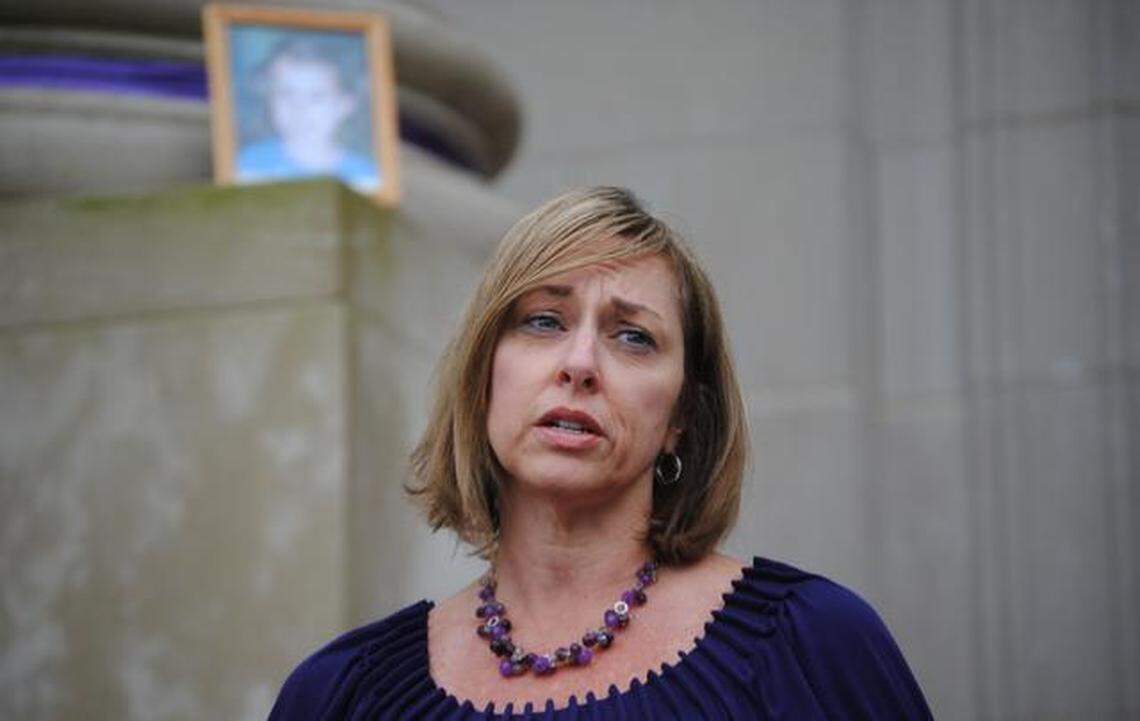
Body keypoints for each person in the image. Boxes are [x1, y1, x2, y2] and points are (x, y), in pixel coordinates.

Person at [267, 187, 934, 719]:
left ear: (680, 416)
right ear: (483, 377)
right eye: (543, 320)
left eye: (634, 337)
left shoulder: (810, 646)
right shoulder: (340, 695)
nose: (580, 363)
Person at [236, 35, 379, 191]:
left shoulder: (365, 177)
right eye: (286, 93)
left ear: (345, 104)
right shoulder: (249, 165)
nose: (299, 109)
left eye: (316, 97)